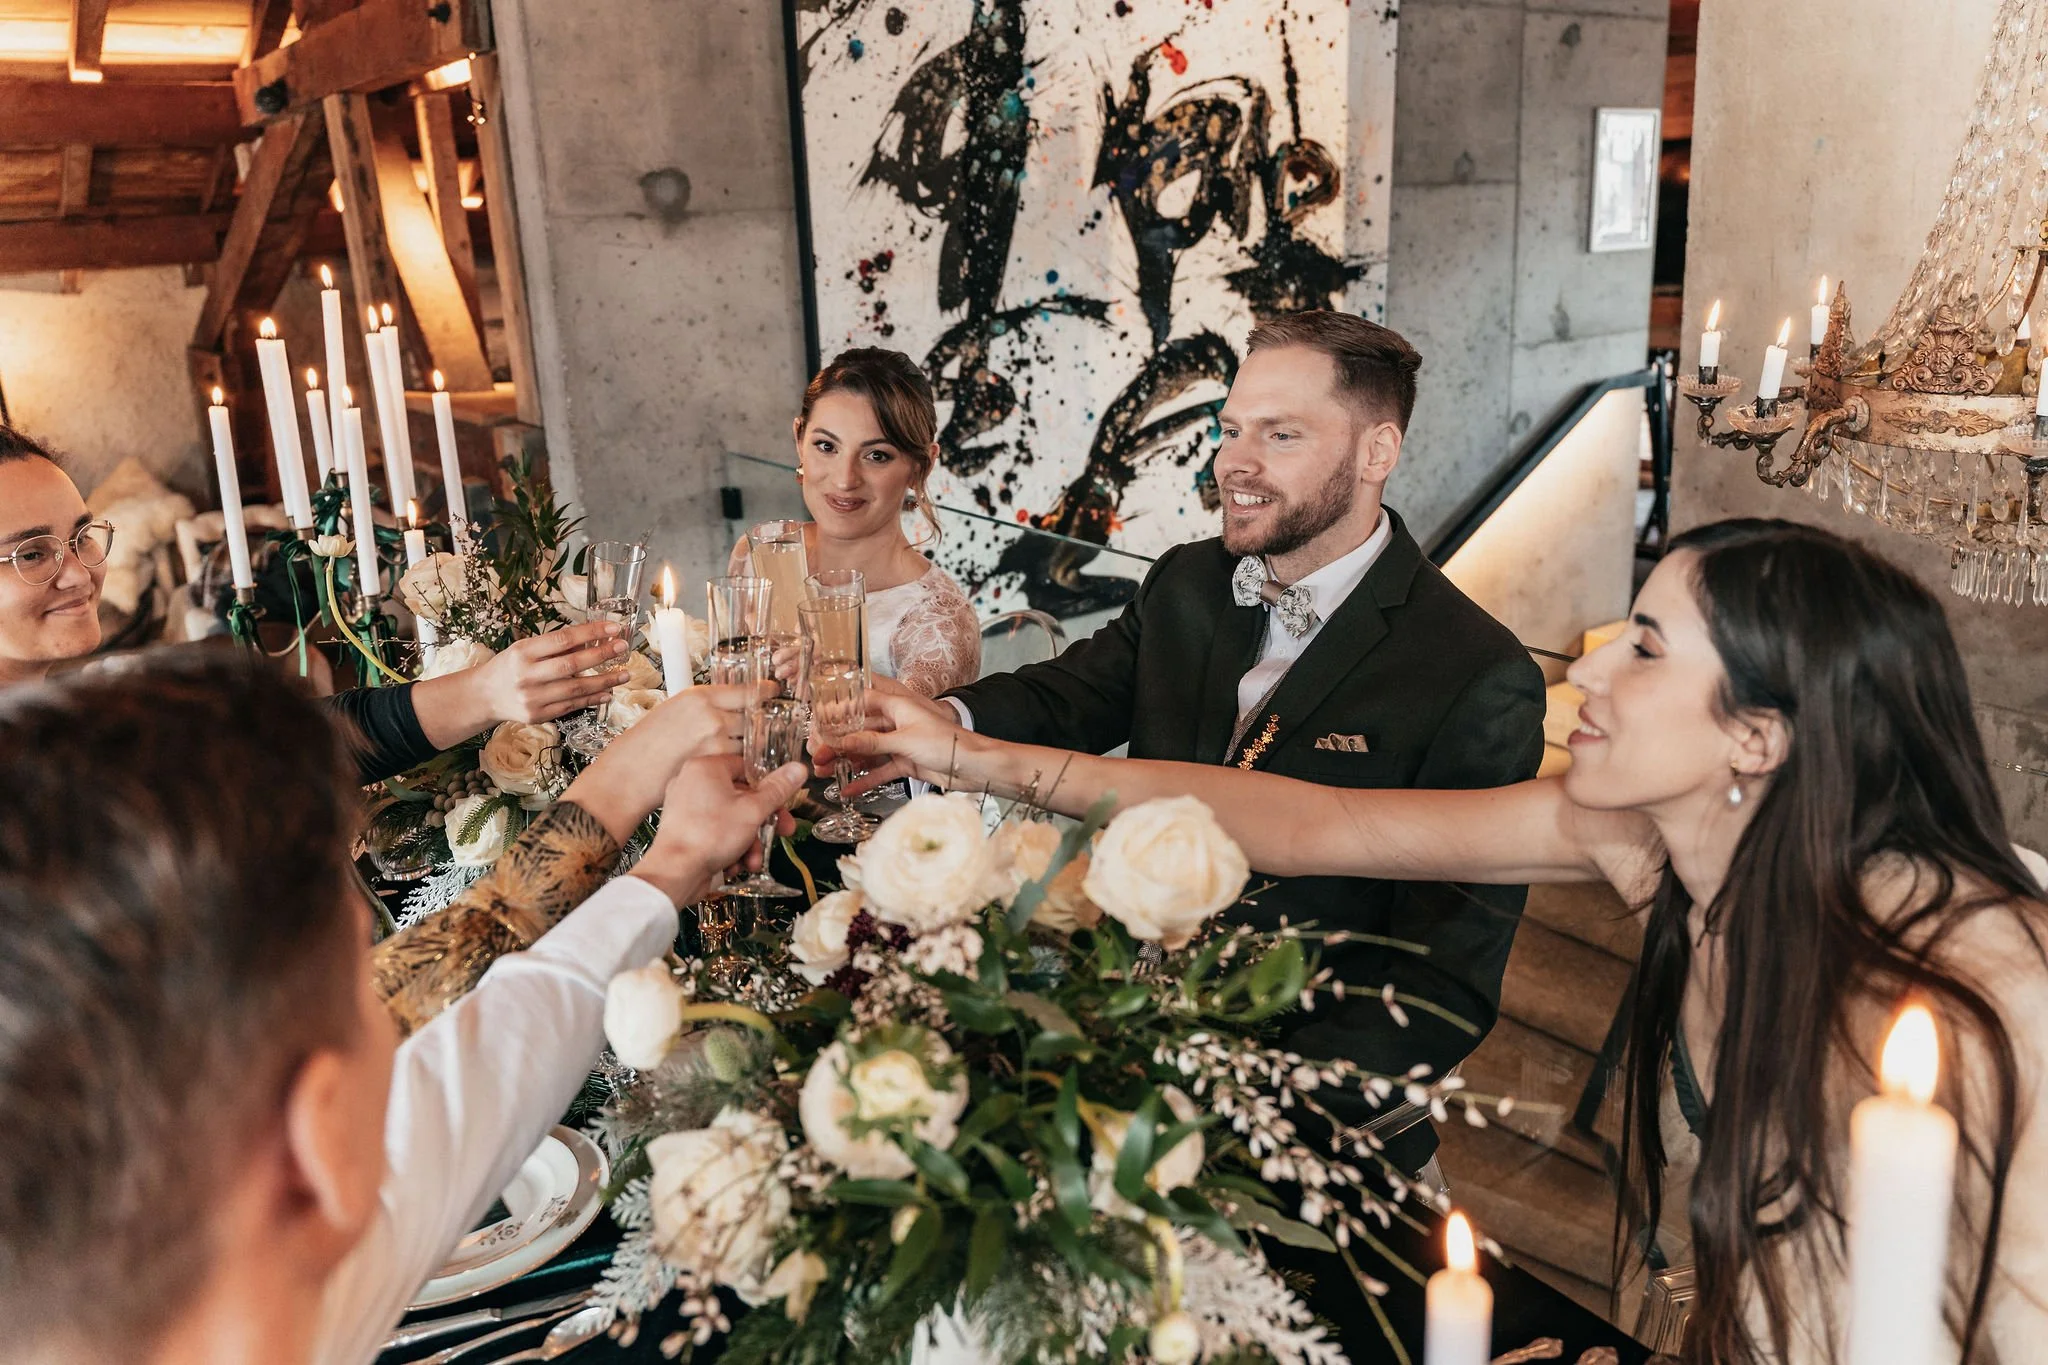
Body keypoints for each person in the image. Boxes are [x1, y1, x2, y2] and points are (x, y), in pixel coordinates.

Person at [836, 518, 2048, 1364]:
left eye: (1644, 645)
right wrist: (971, 756)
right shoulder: (1652, 839)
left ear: (1757, 740)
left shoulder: (1948, 989)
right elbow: (1314, 822)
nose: (1589, 662)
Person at [880, 310, 1547, 1176]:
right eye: (1231, 429)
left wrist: (1241, 1111)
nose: (1234, 460)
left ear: (1378, 452)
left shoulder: (1477, 673)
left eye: (1280, 433)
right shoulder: (1189, 579)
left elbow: (1441, 987)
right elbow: (1075, 693)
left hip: (1314, 1145)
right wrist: (945, 722)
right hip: (1115, 1078)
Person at [0, 652, 805, 1365]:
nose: (403, 989)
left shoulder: (235, 1246)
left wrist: (674, 860)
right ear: (314, 1145)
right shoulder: (296, 1262)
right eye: (370, 981)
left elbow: (498, 1045)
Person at [0, 422, 626, 781]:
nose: (79, 574)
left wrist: (488, 691)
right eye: (31, 554)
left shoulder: (61, 718)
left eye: (83, 537)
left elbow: (277, 749)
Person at [729, 348, 980, 697]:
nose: (845, 479)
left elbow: (912, 745)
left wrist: (834, 683)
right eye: (826, 446)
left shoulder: (937, 624)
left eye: (877, 455)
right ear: (799, 440)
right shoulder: (759, 552)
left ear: (921, 466)